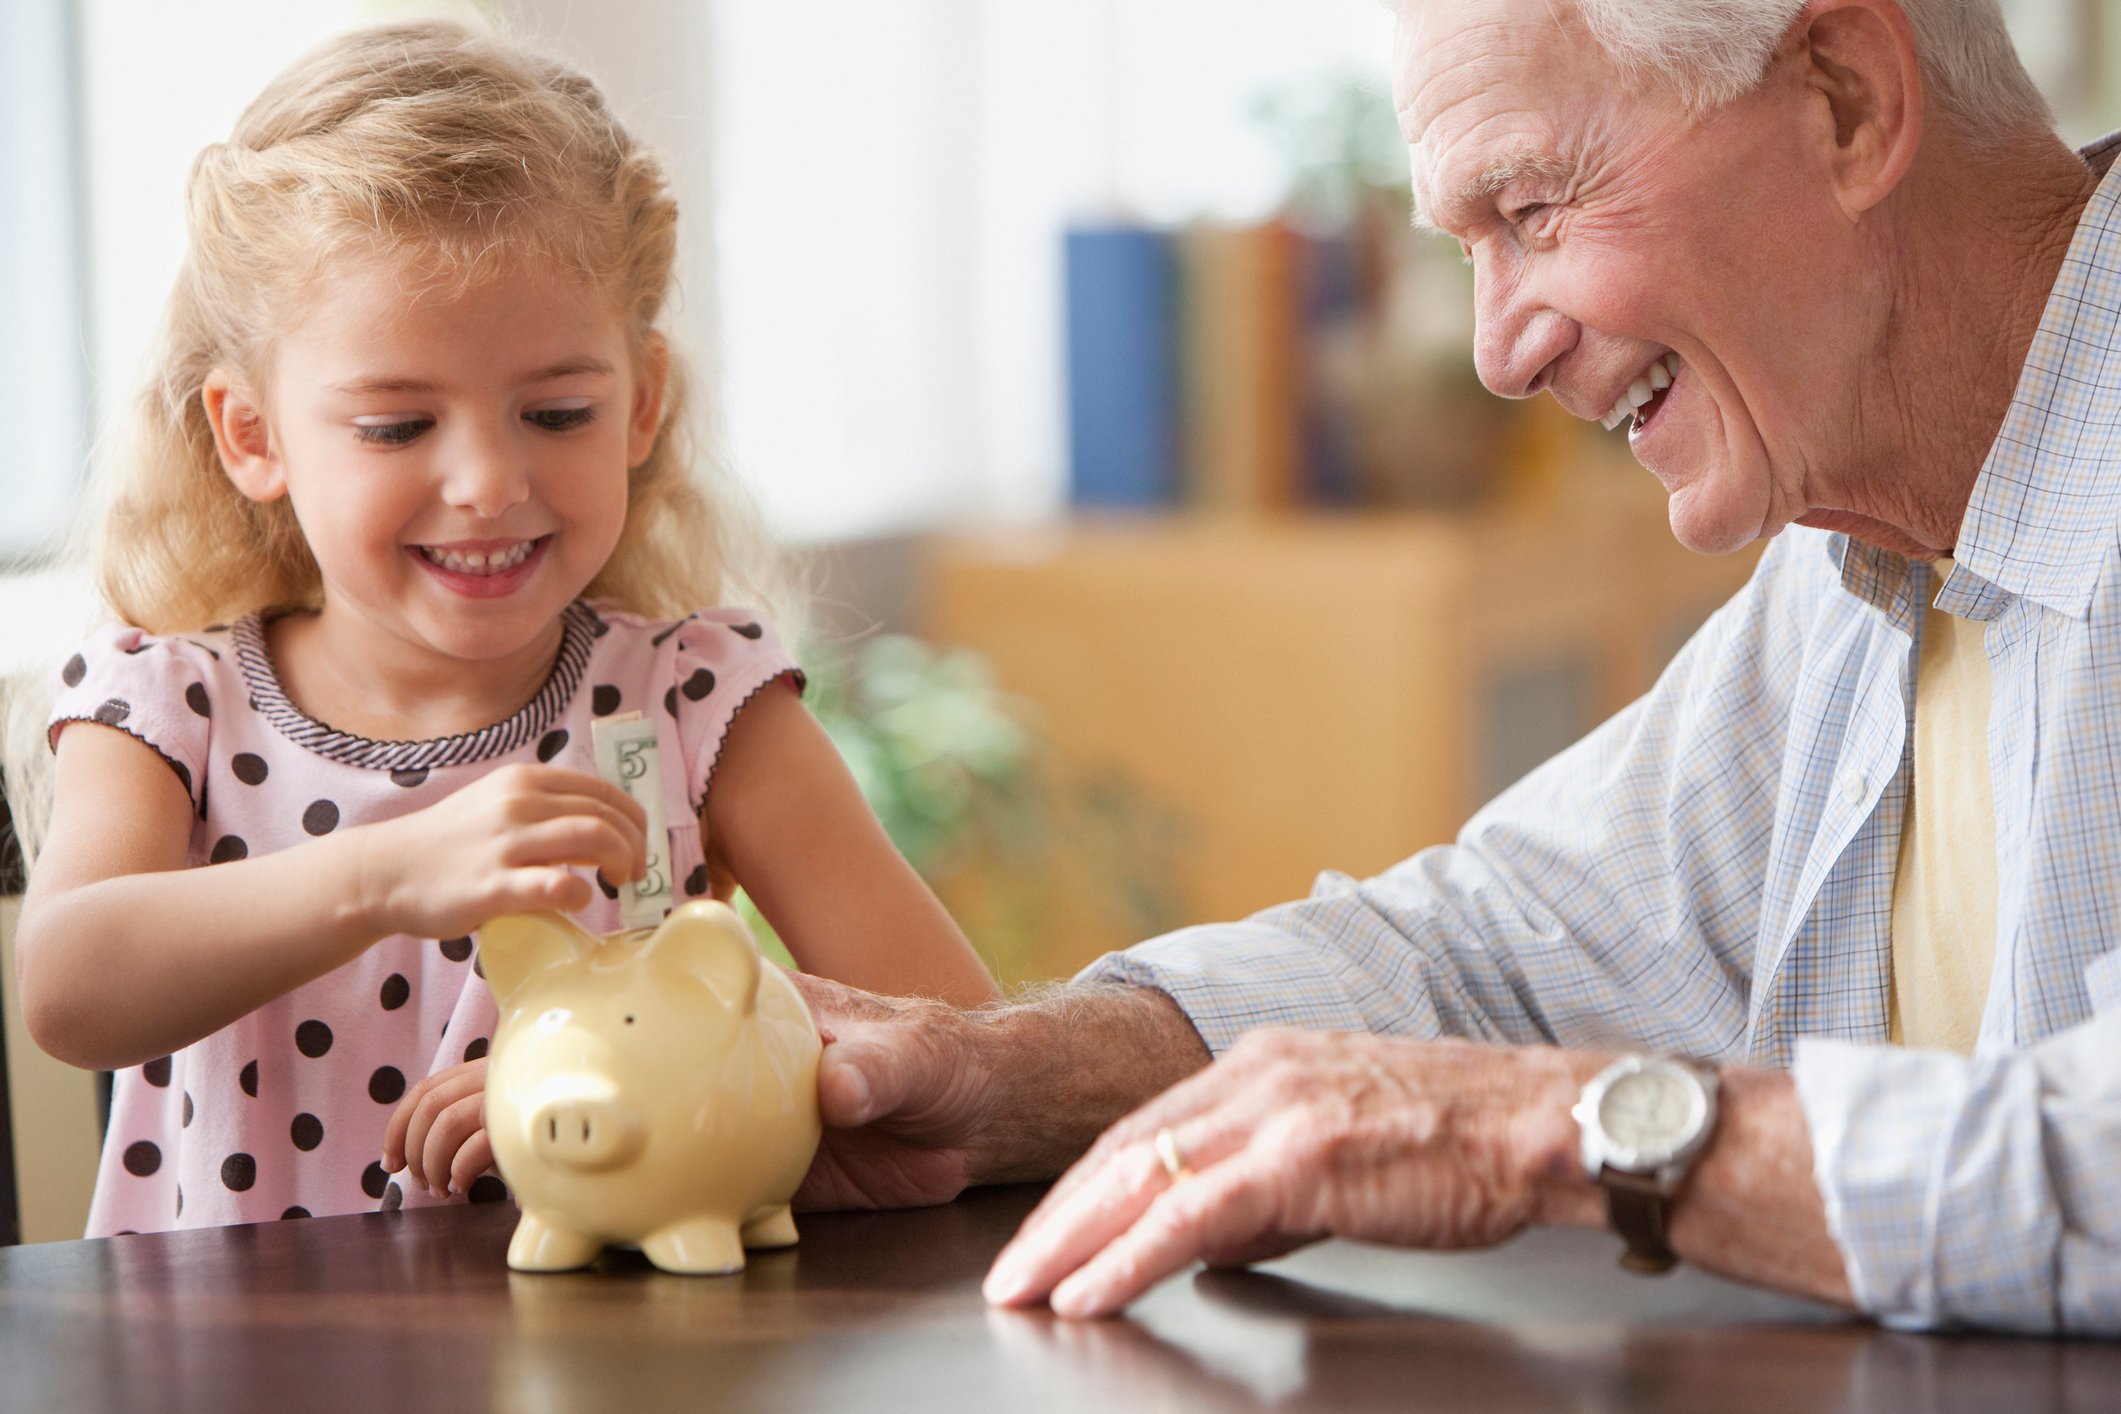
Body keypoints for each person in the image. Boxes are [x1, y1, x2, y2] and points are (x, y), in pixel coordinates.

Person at [787, 0, 2121, 1335]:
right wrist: (1009, 1076)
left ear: (1846, 100)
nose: (1499, 352)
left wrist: (1543, 1133)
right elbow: (1500, 951)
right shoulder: (1862, 555)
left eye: (1533, 210)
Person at [9, 20, 997, 1238]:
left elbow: (962, 1057)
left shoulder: (696, 703)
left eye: (557, 410)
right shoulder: (167, 702)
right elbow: (70, 987)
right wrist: (384, 873)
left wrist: (648, 1075)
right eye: (395, 426)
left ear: (644, 405)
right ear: (252, 436)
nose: (485, 479)